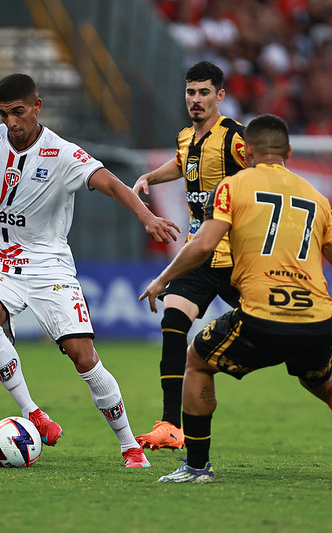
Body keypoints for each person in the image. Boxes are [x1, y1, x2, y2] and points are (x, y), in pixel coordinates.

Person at [141, 114, 332, 484]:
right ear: (289, 152)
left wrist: (163, 279)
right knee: (325, 383)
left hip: (260, 318)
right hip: (314, 321)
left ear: (247, 152)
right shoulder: (317, 197)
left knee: (197, 360)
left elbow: (205, 244)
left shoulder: (232, 186)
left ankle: (196, 467)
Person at [0, 73, 180, 468]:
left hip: (47, 264)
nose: (11, 123)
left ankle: (129, 446)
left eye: (18, 112)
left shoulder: (63, 154)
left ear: (37, 107)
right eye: (3, 114)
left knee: (83, 356)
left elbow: (108, 183)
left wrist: (146, 216)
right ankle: (33, 412)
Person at [132, 61, 246, 451]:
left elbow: (265, 176)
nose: (195, 100)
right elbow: (182, 165)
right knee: (173, 323)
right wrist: (151, 177)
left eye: (203, 93)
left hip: (236, 257)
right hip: (197, 255)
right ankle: (170, 424)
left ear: (220, 96)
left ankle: (320, 370)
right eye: (190, 92)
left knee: (272, 325)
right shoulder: (186, 137)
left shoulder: (235, 138)